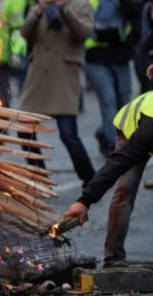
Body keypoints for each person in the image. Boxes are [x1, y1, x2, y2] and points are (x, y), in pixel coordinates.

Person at [17, 0, 96, 185]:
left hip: (64, 76)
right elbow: (26, 34)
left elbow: (84, 33)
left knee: (68, 134)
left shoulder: (80, 4)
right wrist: (38, 11)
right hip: (39, 77)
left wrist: (65, 9)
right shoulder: (38, 4)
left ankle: (89, 177)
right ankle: (38, 176)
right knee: (24, 129)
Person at [63, 90, 153, 266]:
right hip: (132, 130)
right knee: (125, 189)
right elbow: (118, 163)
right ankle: (113, 256)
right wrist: (85, 201)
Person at [84, 0, 142, 156]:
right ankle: (114, 146)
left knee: (123, 103)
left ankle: (104, 133)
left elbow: (136, 9)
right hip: (96, 58)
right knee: (108, 101)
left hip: (120, 57)